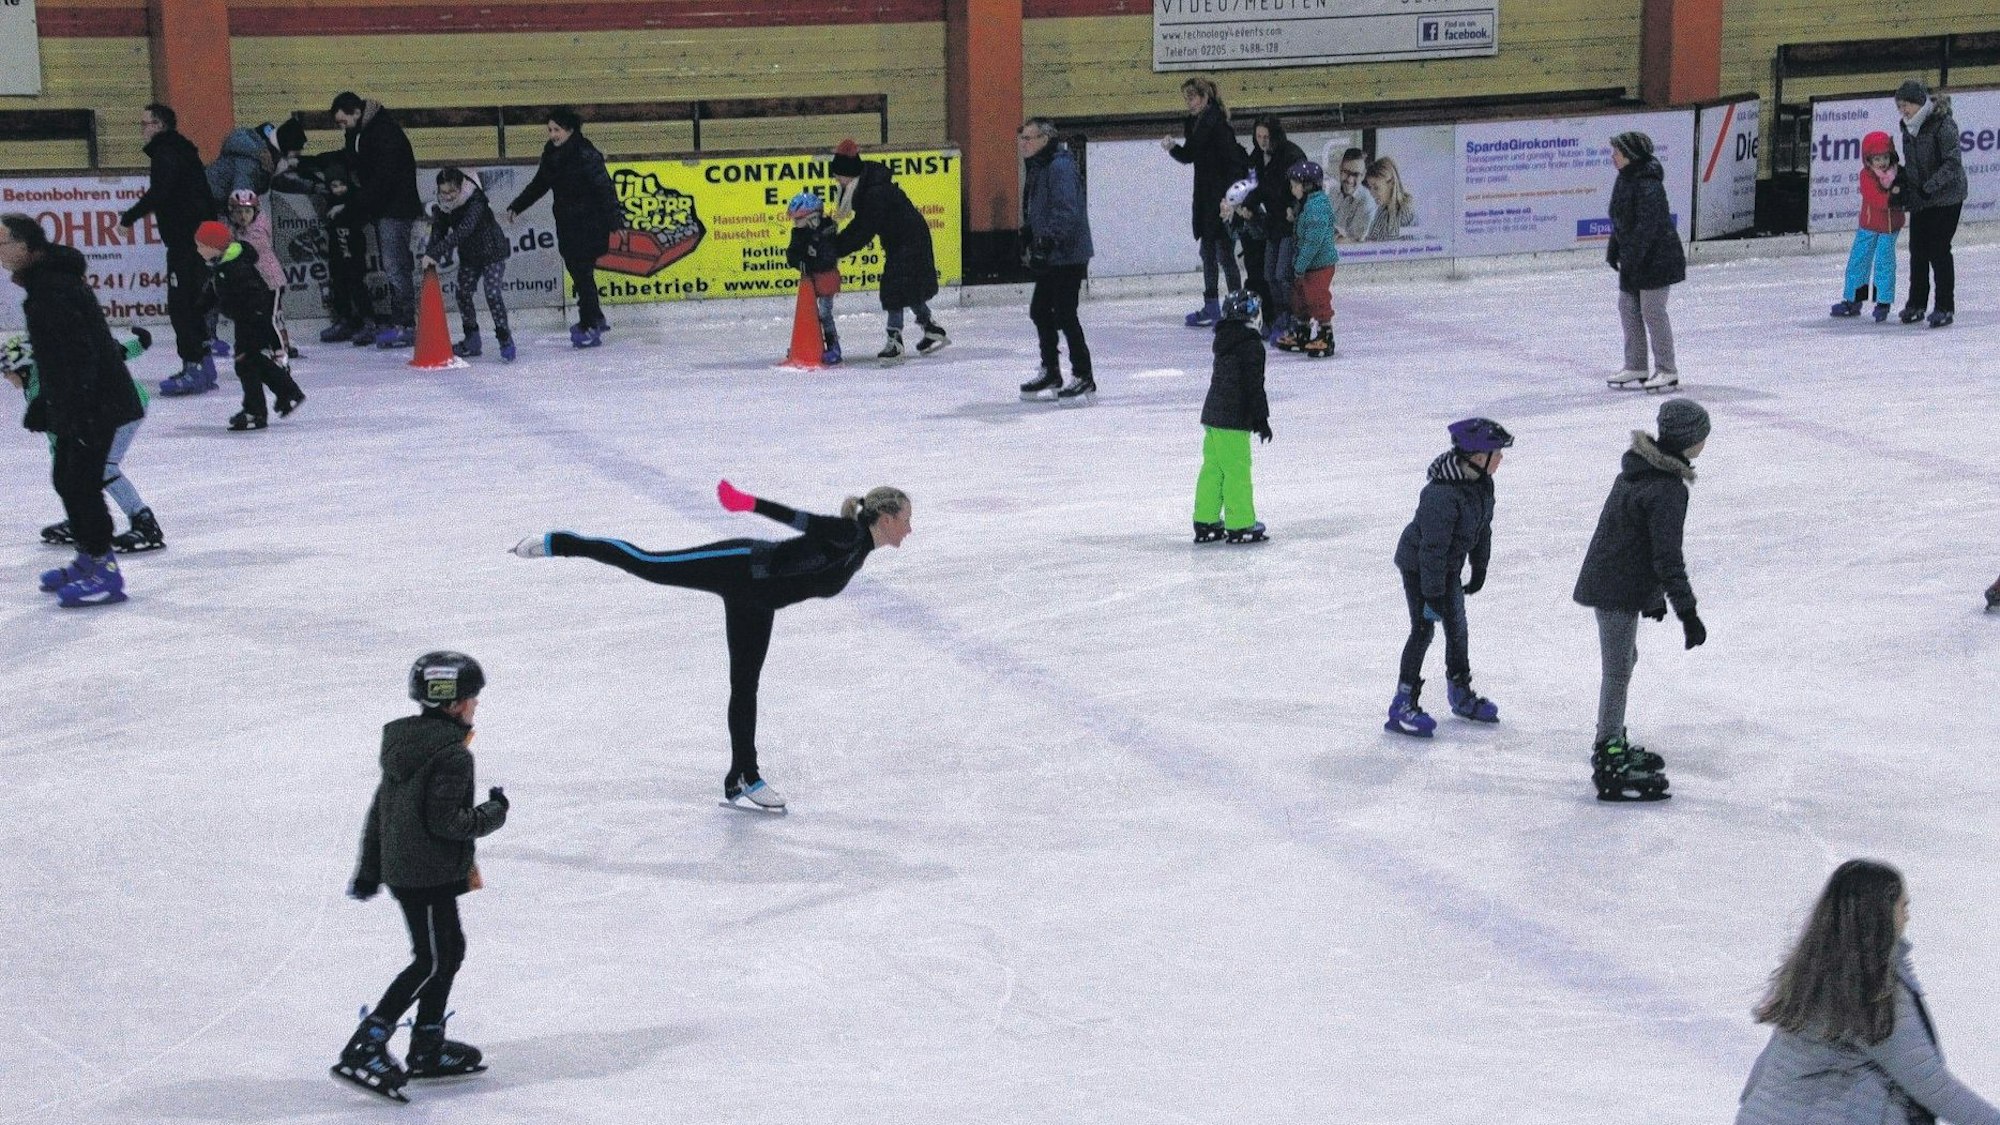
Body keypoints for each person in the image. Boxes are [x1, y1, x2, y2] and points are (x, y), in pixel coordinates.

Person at [510, 481, 914, 809]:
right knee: (649, 564)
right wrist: (748, 502)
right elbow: (801, 520)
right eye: (906, 520)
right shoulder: (849, 534)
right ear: (885, 517)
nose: (910, 529)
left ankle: (742, 777)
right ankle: (559, 543)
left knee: (745, 687)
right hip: (738, 566)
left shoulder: (859, 550)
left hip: (758, 601)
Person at [336, 651, 508, 1103]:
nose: (475, 705)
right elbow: (447, 822)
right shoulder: (451, 755)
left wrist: (370, 871)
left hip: (410, 870)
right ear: (454, 705)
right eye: (472, 698)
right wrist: (493, 813)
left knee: (449, 951)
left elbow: (381, 813)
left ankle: (427, 1045)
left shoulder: (407, 743)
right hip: (427, 873)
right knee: (430, 959)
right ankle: (367, 1043)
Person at [1736, 860, 2000, 1125]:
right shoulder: (1870, 993)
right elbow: (1934, 1087)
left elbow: (1762, 1071)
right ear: (1880, 913)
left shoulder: (1814, 974)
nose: (1907, 916)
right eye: (1903, 906)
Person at [1, 214, 146, 607]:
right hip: (79, 400)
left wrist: (78, 411)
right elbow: (57, 357)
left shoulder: (53, 288)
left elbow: (81, 354)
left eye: (3, 242)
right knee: (66, 477)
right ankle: (89, 556)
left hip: (96, 402)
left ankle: (104, 570)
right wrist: (48, 402)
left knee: (81, 482)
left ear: (27, 246)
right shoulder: (44, 283)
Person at [1571, 398, 1711, 801]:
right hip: (1616, 589)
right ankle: (1608, 752)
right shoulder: (1667, 489)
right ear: (1690, 441)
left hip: (1612, 581)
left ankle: (1611, 738)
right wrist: (1688, 612)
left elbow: (1627, 537)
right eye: (1702, 436)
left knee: (1625, 661)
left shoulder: (1637, 470)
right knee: (1617, 671)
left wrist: (1650, 598)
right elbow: (1666, 557)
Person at [1385, 418, 1512, 738]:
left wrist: (1479, 567)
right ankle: (1403, 701)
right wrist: (1431, 595)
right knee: (1424, 629)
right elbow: (1431, 550)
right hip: (1420, 567)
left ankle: (1460, 691)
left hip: (1448, 567)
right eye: (1496, 453)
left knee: (1458, 629)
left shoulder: (1482, 485)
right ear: (1477, 457)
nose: (1501, 459)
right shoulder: (1441, 495)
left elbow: (1482, 530)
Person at [4, 327, 165, 554]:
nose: (5, 377)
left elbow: (105, 355)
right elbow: (108, 353)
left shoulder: (45, 384)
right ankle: (82, 521)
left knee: (104, 468)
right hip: (108, 410)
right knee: (76, 471)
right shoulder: (40, 377)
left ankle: (146, 525)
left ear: (23, 368)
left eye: (7, 371)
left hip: (125, 407)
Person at [118, 103, 217, 396]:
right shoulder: (180, 150)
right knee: (192, 302)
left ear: (159, 125)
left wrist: (129, 216)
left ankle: (194, 367)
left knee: (181, 305)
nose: (142, 129)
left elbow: (161, 192)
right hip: (194, 239)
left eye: (145, 123)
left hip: (186, 241)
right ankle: (203, 364)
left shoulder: (166, 152)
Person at [505, 108, 624, 349]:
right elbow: (540, 183)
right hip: (568, 222)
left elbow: (605, 189)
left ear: (570, 130)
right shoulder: (552, 153)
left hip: (590, 222)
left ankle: (589, 324)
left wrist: (616, 222)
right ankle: (596, 317)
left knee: (581, 272)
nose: (552, 135)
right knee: (579, 271)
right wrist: (518, 205)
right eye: (550, 130)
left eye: (556, 130)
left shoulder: (586, 154)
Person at [829, 138, 947, 363]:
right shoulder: (867, 186)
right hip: (905, 238)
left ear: (850, 175)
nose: (837, 180)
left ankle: (895, 342)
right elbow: (862, 226)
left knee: (894, 288)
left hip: (909, 240)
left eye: (839, 176)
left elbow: (862, 231)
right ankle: (931, 328)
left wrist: (834, 248)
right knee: (908, 286)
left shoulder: (875, 192)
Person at [331, 92, 423, 348]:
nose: (342, 128)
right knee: (393, 265)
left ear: (357, 113)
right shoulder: (361, 132)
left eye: (343, 122)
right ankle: (400, 321)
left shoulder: (384, 133)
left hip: (396, 209)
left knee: (396, 266)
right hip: (384, 207)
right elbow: (355, 162)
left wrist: (354, 206)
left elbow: (382, 180)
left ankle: (406, 324)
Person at [194, 220, 305, 431]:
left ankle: (256, 411)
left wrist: (252, 316)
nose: (198, 250)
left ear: (213, 246)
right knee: (251, 362)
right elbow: (213, 293)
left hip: (253, 319)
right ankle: (287, 393)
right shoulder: (223, 263)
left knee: (245, 363)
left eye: (200, 245)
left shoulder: (235, 266)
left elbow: (255, 293)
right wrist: (198, 309)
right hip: (247, 319)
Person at [1016, 118, 1096, 401]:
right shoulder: (1041, 166)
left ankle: (1083, 375)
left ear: (1045, 139)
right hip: (1054, 253)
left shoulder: (1059, 167)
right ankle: (1051, 369)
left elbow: (1066, 211)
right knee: (1040, 310)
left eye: (1029, 138)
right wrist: (1030, 232)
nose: (1023, 144)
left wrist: (1046, 241)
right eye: (1022, 138)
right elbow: (1043, 208)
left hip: (1068, 253)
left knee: (1064, 313)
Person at [1604, 131, 1687, 391]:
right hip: (1633, 257)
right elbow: (1620, 219)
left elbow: (1648, 226)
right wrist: (1614, 247)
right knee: (1628, 308)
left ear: (1630, 155)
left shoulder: (1648, 184)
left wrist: (1634, 256)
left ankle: (1667, 370)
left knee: (1652, 311)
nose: (1613, 157)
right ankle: (1636, 365)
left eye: (1617, 152)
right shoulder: (1624, 179)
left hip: (1656, 258)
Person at [1162, 77, 1248, 327]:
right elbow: (1190, 155)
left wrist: (1230, 199)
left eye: (1192, 97)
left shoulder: (1219, 126)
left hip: (1219, 199)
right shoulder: (1197, 124)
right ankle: (1212, 306)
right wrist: (1173, 148)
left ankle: (1236, 306)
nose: (1188, 102)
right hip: (1204, 198)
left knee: (1224, 253)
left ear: (1205, 98)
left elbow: (1234, 164)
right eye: (1186, 98)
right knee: (1207, 252)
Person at [1191, 290, 1269, 545]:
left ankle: (1205, 519)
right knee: (1236, 470)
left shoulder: (1225, 340)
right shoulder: (1251, 345)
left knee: (1213, 469)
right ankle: (1241, 523)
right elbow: (1253, 386)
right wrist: (1261, 420)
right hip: (1233, 420)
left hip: (1212, 416)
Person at [271, 148, 373, 343]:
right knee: (339, 284)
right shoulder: (328, 194)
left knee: (356, 284)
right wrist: (295, 163)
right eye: (335, 186)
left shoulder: (354, 197)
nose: (339, 190)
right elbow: (305, 178)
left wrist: (345, 207)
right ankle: (345, 320)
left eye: (342, 185)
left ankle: (367, 321)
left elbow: (364, 205)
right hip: (337, 250)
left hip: (353, 250)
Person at [1895, 79, 1966, 328]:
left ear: (1920, 103)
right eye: (1901, 105)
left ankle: (1944, 306)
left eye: (1908, 104)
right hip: (1922, 199)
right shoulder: (1907, 128)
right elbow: (1913, 164)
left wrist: (1929, 188)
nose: (1904, 110)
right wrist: (1904, 183)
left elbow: (1952, 163)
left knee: (1938, 248)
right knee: (1918, 250)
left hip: (1947, 197)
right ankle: (1916, 303)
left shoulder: (1942, 124)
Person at [421, 168, 514, 361]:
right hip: (470, 256)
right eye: (443, 192)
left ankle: (505, 339)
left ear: (461, 187)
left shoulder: (475, 200)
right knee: (463, 293)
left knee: (493, 293)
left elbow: (464, 230)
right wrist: (431, 254)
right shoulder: (443, 206)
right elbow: (439, 230)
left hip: (492, 253)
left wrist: (437, 252)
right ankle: (472, 339)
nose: (447, 197)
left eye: (451, 192)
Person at [1830, 131, 1904, 321]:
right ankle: (1853, 300)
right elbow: (1876, 199)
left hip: (1890, 227)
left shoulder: (1898, 173)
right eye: (1877, 158)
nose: (1882, 162)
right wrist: (1895, 197)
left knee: (1884, 263)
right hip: (1869, 225)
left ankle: (1883, 301)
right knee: (1859, 260)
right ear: (1868, 160)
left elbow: (1906, 192)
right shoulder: (1866, 176)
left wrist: (1902, 194)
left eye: (1885, 157)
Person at [1249, 117, 1307, 344]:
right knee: (1269, 274)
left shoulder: (1292, 155)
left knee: (1283, 273)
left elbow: (1306, 187)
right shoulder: (1256, 158)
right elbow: (1254, 187)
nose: (1262, 141)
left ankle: (1293, 317)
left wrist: (1295, 209)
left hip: (1290, 225)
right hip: (1272, 225)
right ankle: (1279, 315)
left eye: (1266, 137)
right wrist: (1248, 206)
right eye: (1259, 137)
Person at [1277, 161, 1337, 359]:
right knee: (1300, 298)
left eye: (1295, 185)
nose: (1292, 189)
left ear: (1308, 186)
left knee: (1317, 297)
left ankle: (1325, 335)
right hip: (1307, 265)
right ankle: (1302, 332)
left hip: (1318, 265)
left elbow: (1313, 241)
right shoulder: (1307, 205)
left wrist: (1300, 264)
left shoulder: (1316, 207)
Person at [784, 190, 843, 365]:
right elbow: (792, 254)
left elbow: (828, 257)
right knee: (809, 312)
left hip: (826, 278)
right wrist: (802, 262)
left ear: (812, 218)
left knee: (824, 313)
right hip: (809, 281)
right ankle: (806, 344)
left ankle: (834, 347)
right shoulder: (798, 233)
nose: (795, 223)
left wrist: (813, 256)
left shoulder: (827, 232)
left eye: (798, 219)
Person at [1362, 157, 1418, 242]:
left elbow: (1411, 250)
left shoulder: (1406, 212)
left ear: (1391, 183)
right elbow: (1371, 241)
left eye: (1376, 188)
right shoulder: (1381, 211)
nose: (1371, 193)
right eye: (1370, 187)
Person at [1331, 148, 1377, 245]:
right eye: (1346, 172)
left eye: (1356, 174)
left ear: (1363, 175)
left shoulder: (1368, 204)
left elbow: (1358, 243)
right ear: (1340, 169)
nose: (1349, 180)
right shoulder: (1331, 191)